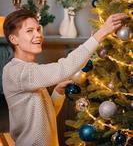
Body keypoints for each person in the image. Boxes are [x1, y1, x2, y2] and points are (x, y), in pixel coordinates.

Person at [2, 9, 128, 146]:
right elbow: (64, 68)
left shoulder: (29, 71)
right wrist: (102, 32)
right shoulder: (16, 72)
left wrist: (57, 93)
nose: (38, 35)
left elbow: (44, 119)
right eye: (29, 31)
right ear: (13, 39)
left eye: (38, 29)